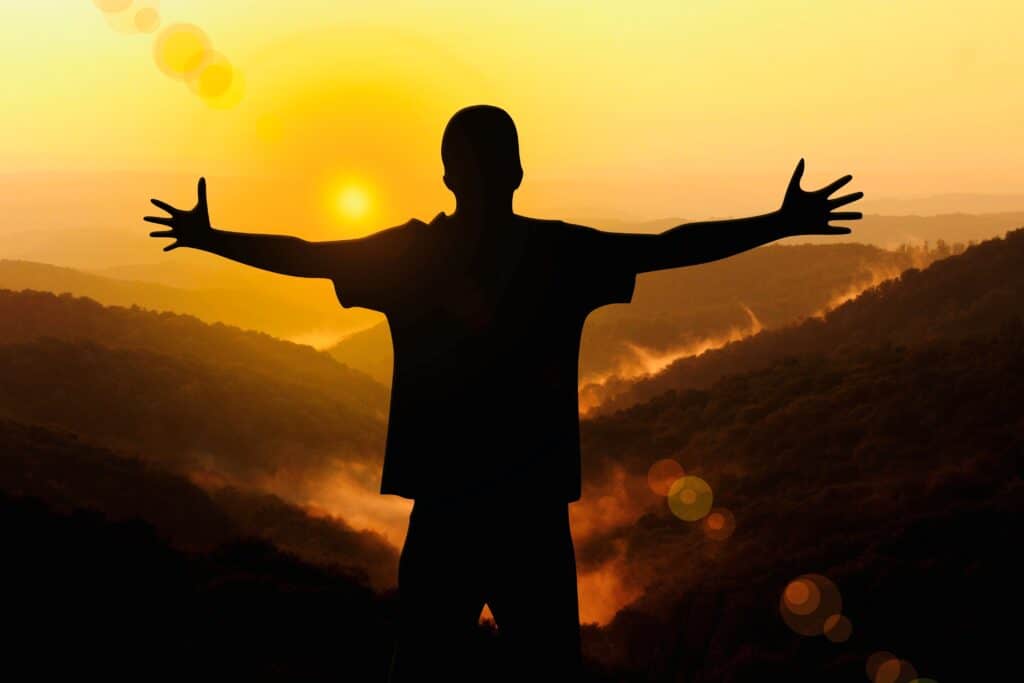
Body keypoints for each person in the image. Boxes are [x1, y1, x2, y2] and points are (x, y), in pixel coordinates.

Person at [145, 104, 862, 681]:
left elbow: (305, 255)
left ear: (448, 175)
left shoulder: (413, 256)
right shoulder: (557, 255)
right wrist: (779, 222)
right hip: (530, 511)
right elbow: (670, 245)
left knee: (422, 671)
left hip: (447, 508)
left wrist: (212, 239)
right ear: (518, 170)